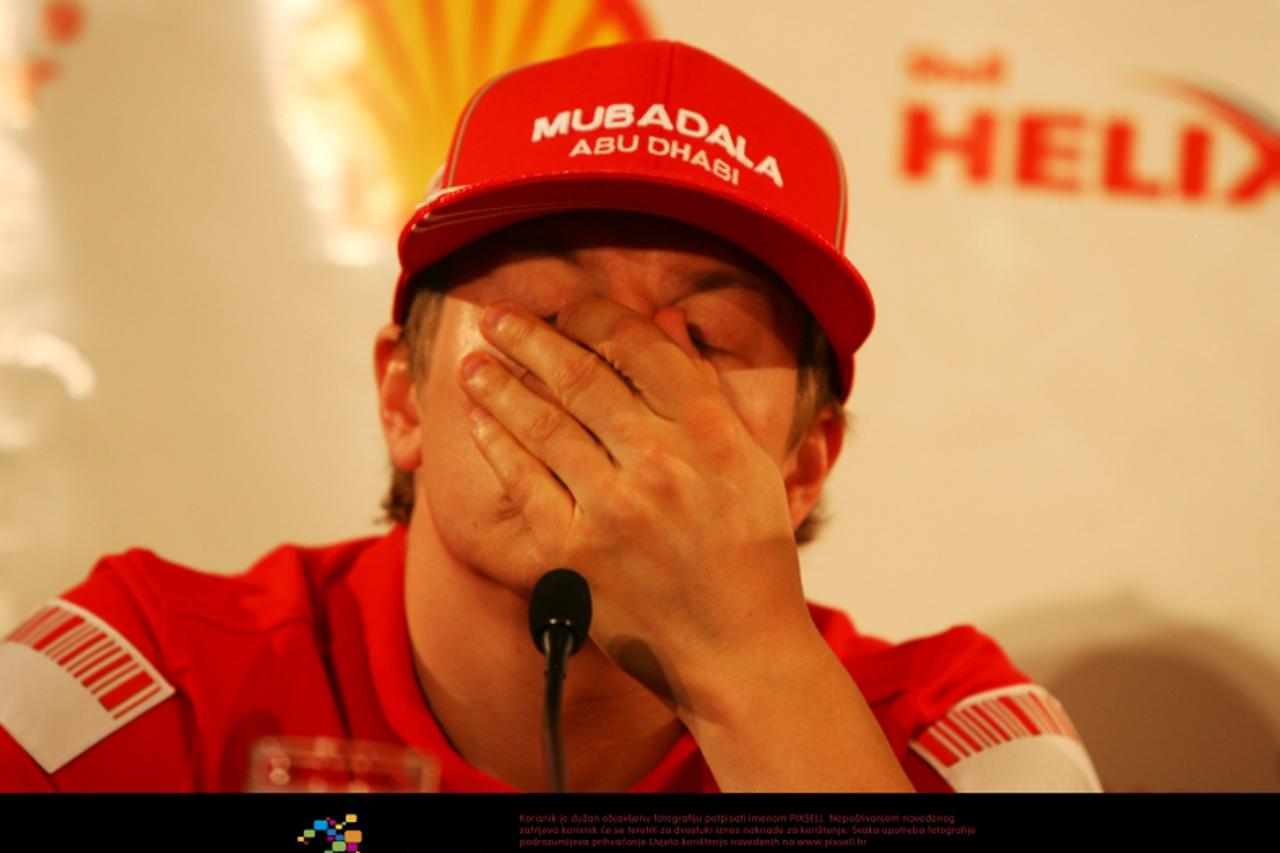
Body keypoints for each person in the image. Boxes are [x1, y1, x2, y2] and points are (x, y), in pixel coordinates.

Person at [0, 40, 1101, 793]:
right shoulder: (152, 679)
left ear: (804, 464)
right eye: (546, 319)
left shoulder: (952, 738)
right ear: (403, 399)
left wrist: (746, 665)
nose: (611, 381)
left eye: (702, 343)